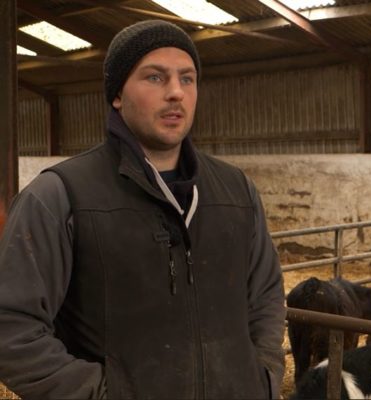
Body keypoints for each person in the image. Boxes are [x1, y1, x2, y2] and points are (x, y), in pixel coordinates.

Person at [0, 20, 285, 399]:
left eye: (187, 79)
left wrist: (261, 376)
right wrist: (103, 394)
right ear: (117, 94)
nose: (175, 93)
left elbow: (265, 295)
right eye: (154, 78)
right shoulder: (60, 196)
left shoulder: (237, 191)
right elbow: (11, 326)